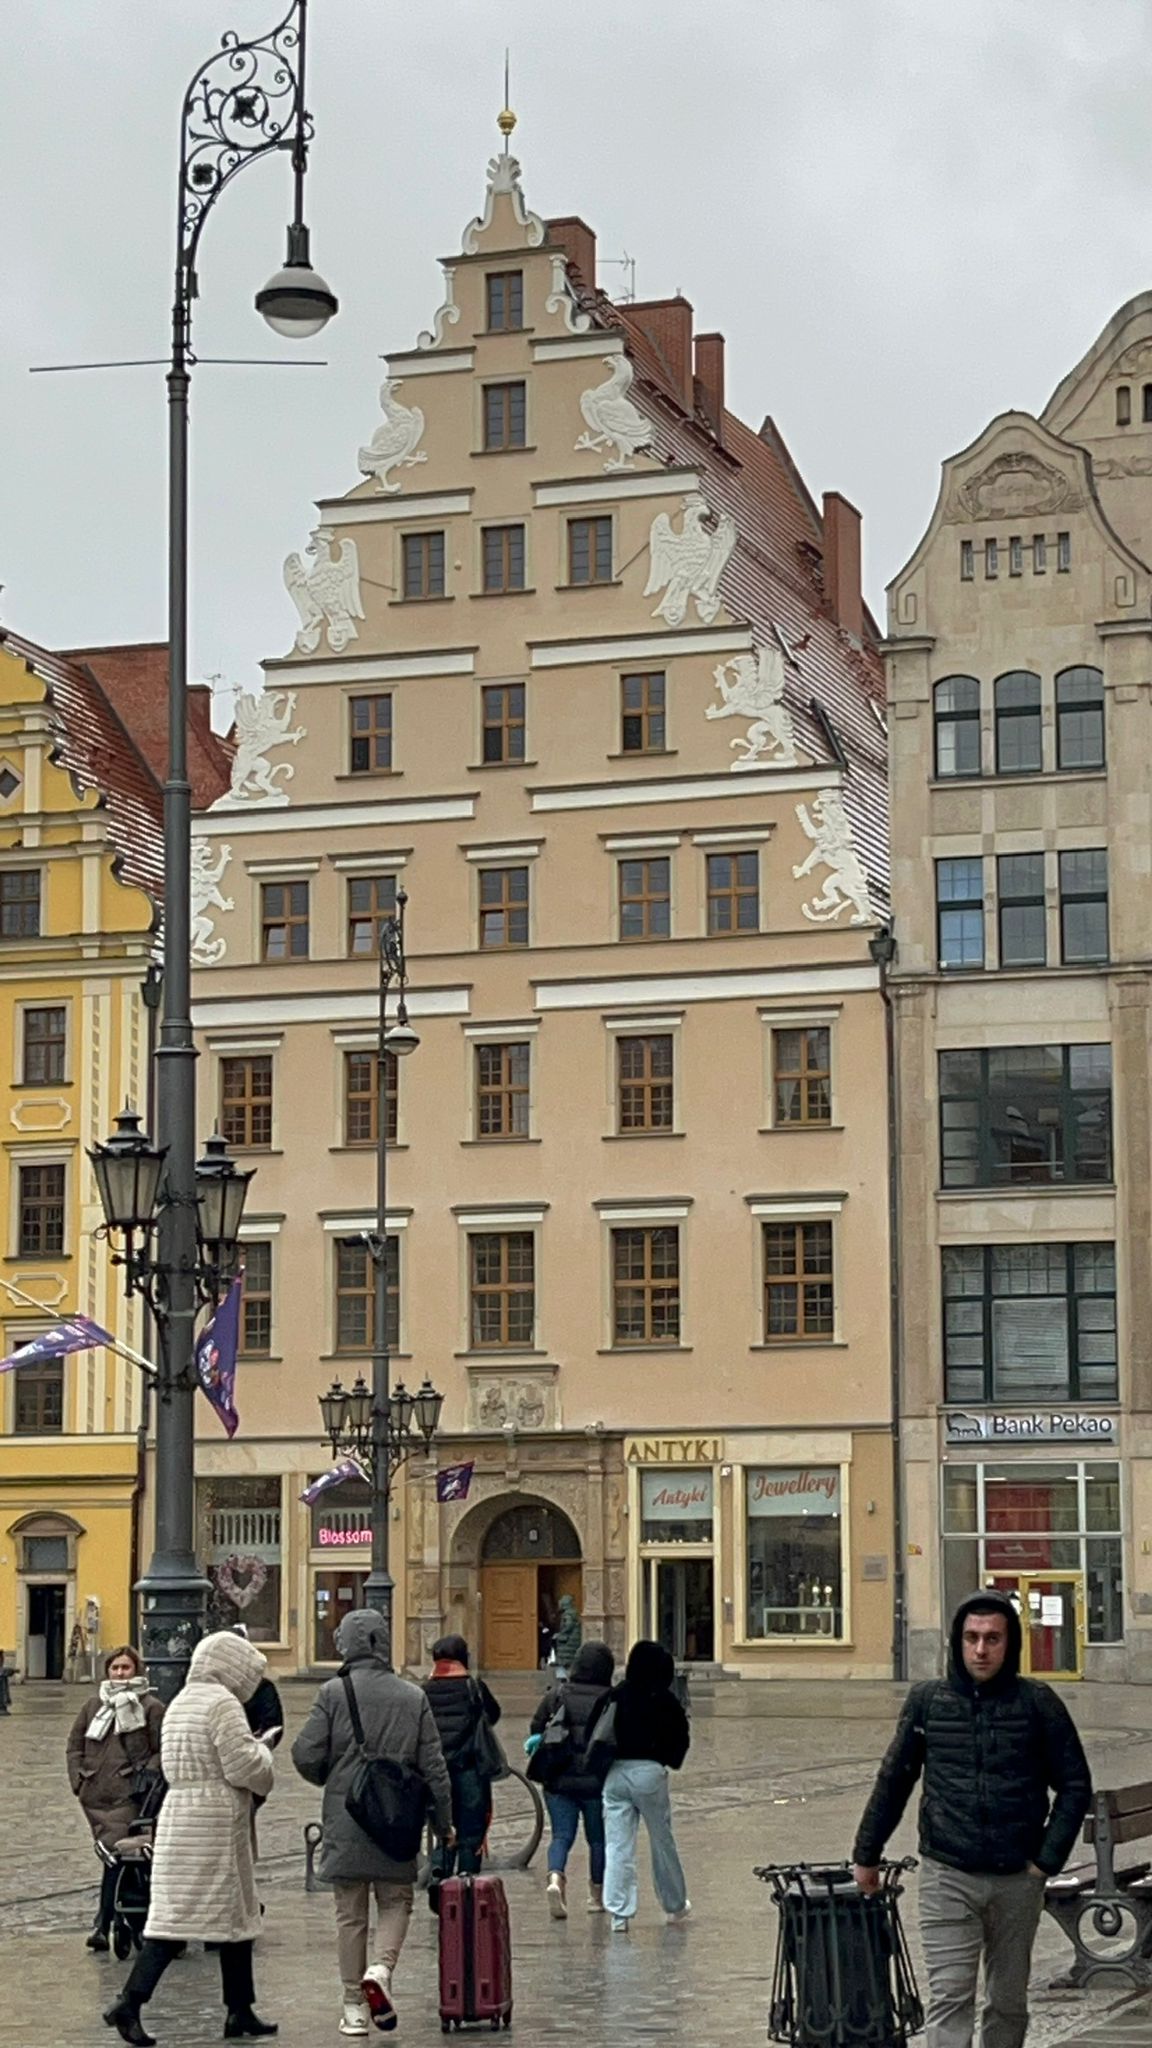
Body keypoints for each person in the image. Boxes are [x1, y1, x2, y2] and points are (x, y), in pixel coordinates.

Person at [852, 1590, 1092, 2048]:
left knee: (1007, 2002)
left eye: (993, 1639)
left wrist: (1046, 1859)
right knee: (950, 1996)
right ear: (957, 1643)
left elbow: (1075, 1784)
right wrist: (867, 1853)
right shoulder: (928, 1702)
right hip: (949, 1872)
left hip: (1017, 1877)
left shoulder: (1038, 1703)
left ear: (1010, 1644)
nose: (981, 1649)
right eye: (972, 1638)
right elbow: (894, 1780)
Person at [103, 1630, 278, 2048]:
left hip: (181, 1812)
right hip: (213, 1818)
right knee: (175, 1923)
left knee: (235, 1916)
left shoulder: (182, 1699)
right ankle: (129, 2002)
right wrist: (264, 1752)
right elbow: (241, 1766)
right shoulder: (223, 1704)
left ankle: (240, 2009)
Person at [292, 1608, 454, 2039]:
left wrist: (332, 1773)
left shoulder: (332, 1692)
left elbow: (305, 1754)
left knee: (349, 1914)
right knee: (397, 1899)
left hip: (348, 1813)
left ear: (345, 1644)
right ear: (384, 1643)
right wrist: (443, 1822)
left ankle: (353, 2009)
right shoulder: (412, 1696)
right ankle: (381, 1968)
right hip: (398, 1818)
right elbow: (434, 1767)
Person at [67, 1644, 165, 1953]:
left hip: (129, 1796)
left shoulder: (151, 1706)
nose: (120, 1673)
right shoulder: (93, 1705)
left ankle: (103, 1922)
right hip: (95, 1797)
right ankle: (114, 1919)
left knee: (115, 1854)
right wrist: (78, 1781)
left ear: (137, 1671)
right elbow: (74, 1746)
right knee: (115, 1857)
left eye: (126, 1668)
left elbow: (162, 1750)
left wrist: (145, 1776)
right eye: (115, 1668)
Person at [601, 1639, 691, 1932]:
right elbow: (680, 1738)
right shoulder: (663, 1700)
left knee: (617, 1845)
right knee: (661, 1840)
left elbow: (597, 1730)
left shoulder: (615, 1696)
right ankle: (674, 1904)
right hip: (649, 1772)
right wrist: (667, 1759)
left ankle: (618, 1913)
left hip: (615, 1774)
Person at [528, 1638, 614, 1919]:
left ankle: (555, 1878)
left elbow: (537, 1726)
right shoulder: (611, 1699)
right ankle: (596, 1896)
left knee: (561, 1836)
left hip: (558, 1779)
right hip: (596, 1782)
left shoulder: (558, 1694)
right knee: (598, 1840)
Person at [423, 1635, 502, 1878]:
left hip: (436, 1771)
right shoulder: (473, 1686)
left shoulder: (424, 1690)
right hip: (469, 1769)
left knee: (444, 1829)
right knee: (471, 1832)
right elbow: (493, 1714)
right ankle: (467, 1886)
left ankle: (440, 1878)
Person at [551, 1593, 582, 1681]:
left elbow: (568, 1626)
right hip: (572, 1642)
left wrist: (560, 1634)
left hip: (568, 1642)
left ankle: (563, 1679)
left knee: (563, 1661)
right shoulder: (573, 1613)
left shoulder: (568, 1614)